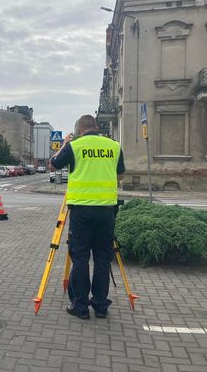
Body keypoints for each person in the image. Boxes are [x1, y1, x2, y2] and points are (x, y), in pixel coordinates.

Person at [49, 115, 125, 320]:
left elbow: (53, 165)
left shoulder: (74, 146)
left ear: (79, 129)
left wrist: (64, 144)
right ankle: (100, 306)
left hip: (82, 211)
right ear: (96, 127)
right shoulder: (114, 146)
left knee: (80, 257)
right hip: (107, 210)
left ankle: (80, 306)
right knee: (102, 258)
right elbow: (120, 175)